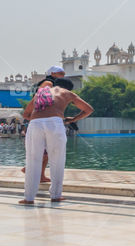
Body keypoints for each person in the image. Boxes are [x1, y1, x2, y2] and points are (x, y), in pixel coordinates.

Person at [20, 76, 93, 204]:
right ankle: (55, 195)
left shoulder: (40, 93)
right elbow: (88, 109)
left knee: (33, 160)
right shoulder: (67, 93)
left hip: (35, 123)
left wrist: (40, 120)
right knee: (57, 160)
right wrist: (73, 119)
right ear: (68, 88)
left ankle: (29, 198)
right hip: (55, 122)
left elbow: (26, 114)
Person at [21, 66, 65, 183]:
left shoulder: (54, 85)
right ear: (53, 73)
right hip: (41, 121)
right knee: (43, 152)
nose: (63, 75)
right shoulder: (48, 83)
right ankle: (31, 169)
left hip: (42, 120)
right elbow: (40, 96)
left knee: (46, 153)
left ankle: (40, 175)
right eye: (61, 73)